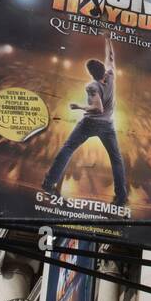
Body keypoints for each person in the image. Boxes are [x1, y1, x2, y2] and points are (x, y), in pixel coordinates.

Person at [42, 36, 128, 206]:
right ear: (103, 68)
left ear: (91, 74)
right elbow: (111, 56)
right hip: (107, 125)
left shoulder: (92, 86)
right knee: (116, 159)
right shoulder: (111, 76)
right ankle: (121, 196)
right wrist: (108, 38)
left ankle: (48, 183)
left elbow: (98, 108)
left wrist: (79, 107)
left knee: (67, 148)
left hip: (90, 124)